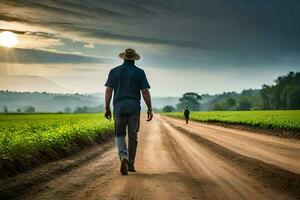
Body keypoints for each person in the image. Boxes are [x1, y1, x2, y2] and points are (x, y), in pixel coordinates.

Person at [104, 48, 153, 175]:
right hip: (134, 107)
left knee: (119, 134)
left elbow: (109, 90)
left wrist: (107, 107)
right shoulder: (139, 72)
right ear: (134, 59)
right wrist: (150, 108)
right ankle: (130, 164)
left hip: (119, 107)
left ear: (124, 58)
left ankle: (123, 156)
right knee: (133, 135)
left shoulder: (114, 71)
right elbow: (145, 92)